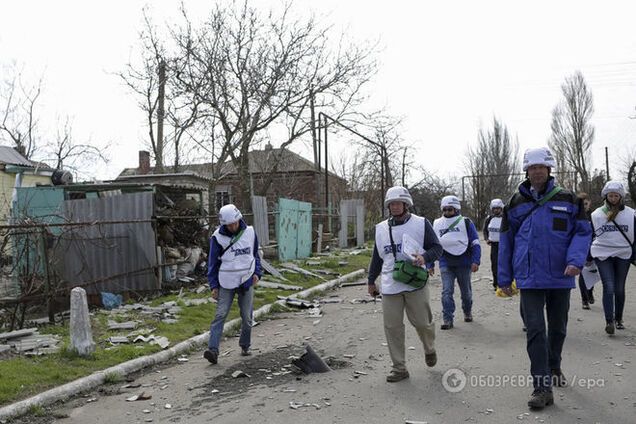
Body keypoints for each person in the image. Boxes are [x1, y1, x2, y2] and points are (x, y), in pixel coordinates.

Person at [499, 147, 592, 410]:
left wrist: (575, 261)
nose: (537, 171)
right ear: (526, 171)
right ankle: (542, 387)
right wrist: (504, 278)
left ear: (549, 169)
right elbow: (506, 241)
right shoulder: (515, 203)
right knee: (536, 330)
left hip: (561, 275)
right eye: (532, 167)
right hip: (528, 277)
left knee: (559, 327)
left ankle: (554, 365)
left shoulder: (569, 199)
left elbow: (583, 232)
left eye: (541, 167)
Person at [367, 186, 443, 382]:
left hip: (415, 281)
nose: (394, 207)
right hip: (390, 283)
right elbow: (377, 257)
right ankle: (399, 368)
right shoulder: (381, 228)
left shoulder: (420, 224)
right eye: (391, 204)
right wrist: (371, 281)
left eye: (398, 203)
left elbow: (437, 248)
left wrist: (424, 258)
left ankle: (429, 348)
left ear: (406, 204)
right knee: (392, 327)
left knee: (422, 323)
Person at [203, 204, 261, 364]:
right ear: (224, 224)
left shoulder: (249, 233)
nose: (233, 227)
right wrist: (213, 286)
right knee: (220, 315)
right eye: (229, 225)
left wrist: (257, 272)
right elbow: (212, 264)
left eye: (235, 223)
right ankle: (213, 350)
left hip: (246, 280)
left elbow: (255, 254)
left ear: (239, 219)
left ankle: (245, 345)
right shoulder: (217, 237)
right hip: (225, 282)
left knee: (247, 317)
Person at [590, 181, 635, 334]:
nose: (613, 198)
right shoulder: (596, 214)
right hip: (603, 254)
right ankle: (609, 321)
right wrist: (587, 256)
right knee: (608, 287)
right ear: (606, 196)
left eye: (616, 195)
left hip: (624, 253)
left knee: (619, 288)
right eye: (611, 195)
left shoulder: (631, 213)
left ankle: (619, 318)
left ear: (621, 196)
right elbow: (591, 235)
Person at [432, 195, 481, 329]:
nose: (447, 212)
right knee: (447, 291)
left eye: (450, 210)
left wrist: (476, 260)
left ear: (456, 209)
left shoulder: (466, 222)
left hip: (464, 263)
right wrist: (430, 264)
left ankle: (467, 311)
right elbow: (432, 245)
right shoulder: (436, 223)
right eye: (445, 209)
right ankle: (447, 319)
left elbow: (475, 242)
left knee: (466, 292)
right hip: (445, 262)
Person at [577, 192, 595, 310]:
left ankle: (590, 292)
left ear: (589, 204)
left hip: (593, 248)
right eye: (581, 204)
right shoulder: (574, 215)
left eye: (586, 204)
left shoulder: (594, 217)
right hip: (579, 249)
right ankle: (584, 299)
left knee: (592, 273)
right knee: (583, 274)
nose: (584, 206)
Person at [483, 198, 505, 291]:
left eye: (498, 208)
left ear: (501, 208)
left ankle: (505, 282)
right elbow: (485, 230)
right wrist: (487, 239)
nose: (496, 210)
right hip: (494, 245)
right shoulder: (489, 219)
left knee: (504, 264)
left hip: (504, 245)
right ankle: (496, 284)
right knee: (494, 264)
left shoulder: (505, 218)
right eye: (494, 208)